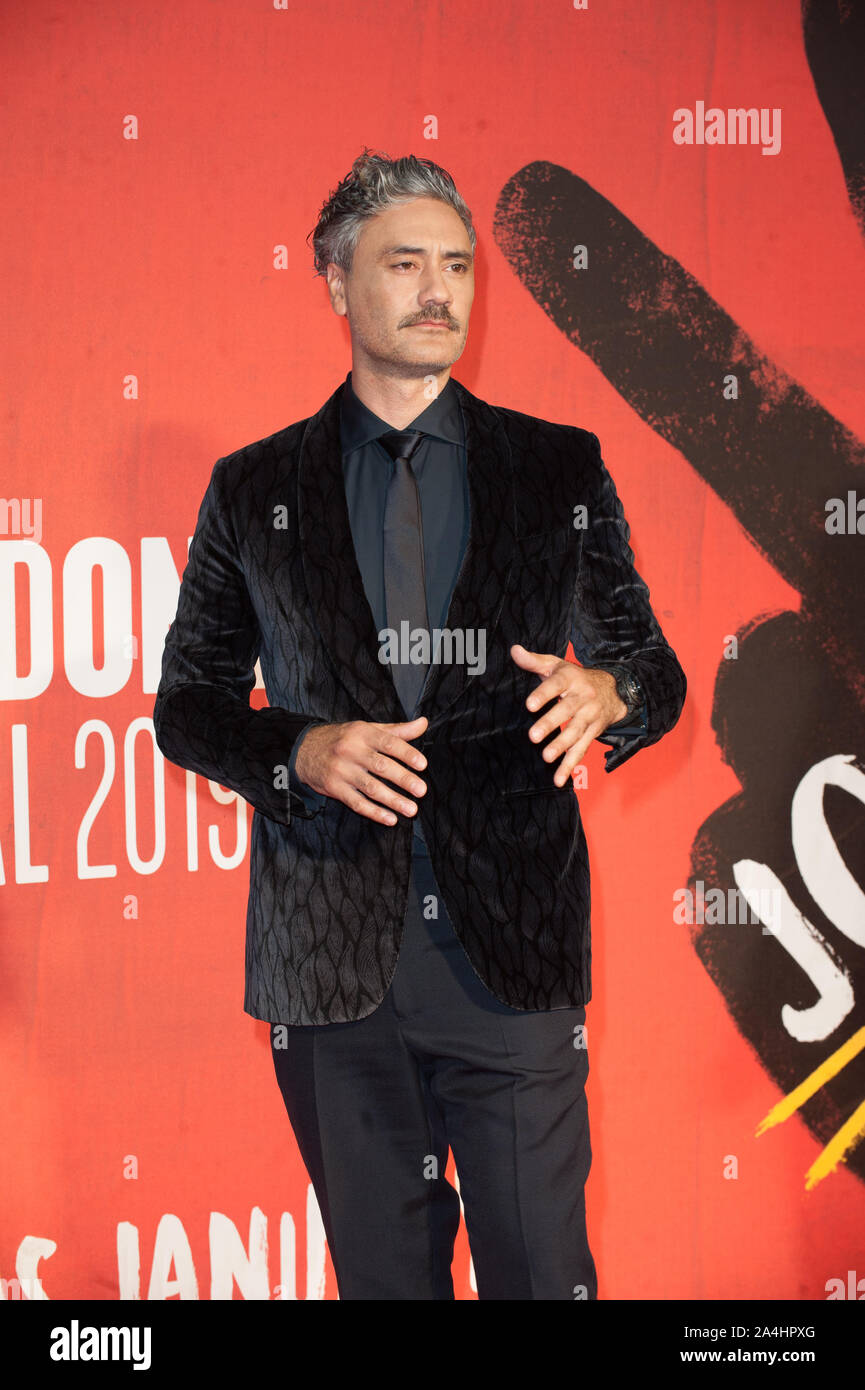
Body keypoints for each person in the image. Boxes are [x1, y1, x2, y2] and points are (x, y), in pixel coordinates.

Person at [153, 148, 687, 1300]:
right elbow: (186, 705)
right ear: (339, 284)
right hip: (332, 965)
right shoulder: (253, 490)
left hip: (508, 960)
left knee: (543, 1275)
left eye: (457, 265)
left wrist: (611, 694)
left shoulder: (557, 469)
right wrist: (297, 748)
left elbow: (654, 667)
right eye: (406, 263)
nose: (440, 289)